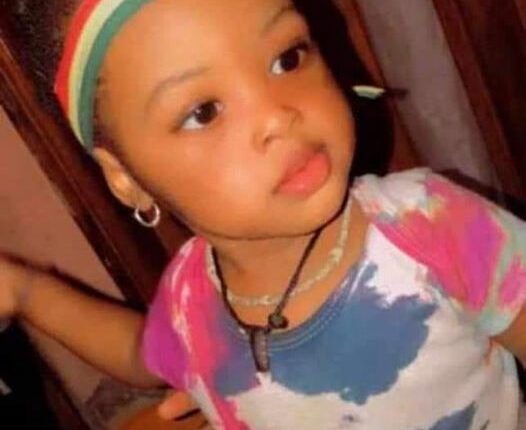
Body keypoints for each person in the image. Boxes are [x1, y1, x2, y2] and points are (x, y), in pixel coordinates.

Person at [1, 0, 526, 428]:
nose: (279, 114)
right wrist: (26, 292)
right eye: (204, 112)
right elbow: (140, 354)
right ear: (126, 179)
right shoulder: (189, 300)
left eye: (287, 58)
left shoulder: (432, 225)